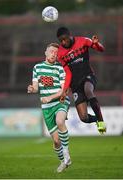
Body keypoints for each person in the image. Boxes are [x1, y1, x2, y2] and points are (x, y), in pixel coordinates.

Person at [27, 42, 71, 173]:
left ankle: (67, 153)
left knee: (60, 121)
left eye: (56, 53)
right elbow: (35, 87)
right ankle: (63, 161)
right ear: (46, 52)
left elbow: (63, 90)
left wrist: (50, 98)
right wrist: (32, 88)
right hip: (47, 108)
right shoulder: (37, 67)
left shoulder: (60, 67)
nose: (54, 54)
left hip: (60, 101)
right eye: (51, 51)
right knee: (56, 142)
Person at [56, 27, 106, 134]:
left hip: (88, 76)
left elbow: (101, 49)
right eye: (61, 41)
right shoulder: (60, 53)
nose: (63, 42)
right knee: (83, 117)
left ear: (70, 35)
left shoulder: (83, 41)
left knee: (88, 90)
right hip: (75, 84)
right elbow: (67, 72)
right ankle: (97, 119)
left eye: (65, 39)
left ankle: (101, 121)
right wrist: (65, 90)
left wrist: (97, 44)